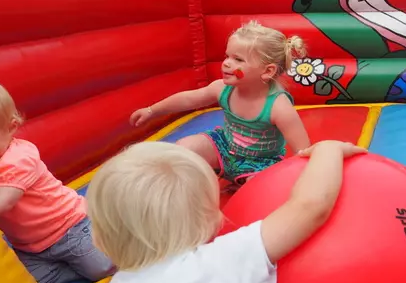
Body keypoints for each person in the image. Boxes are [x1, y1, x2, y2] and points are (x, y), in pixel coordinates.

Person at [83, 139, 365, 283]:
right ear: (212, 221)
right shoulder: (224, 258)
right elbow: (310, 206)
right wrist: (328, 149)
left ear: (99, 241)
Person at [0, 79, 114, 283]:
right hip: (29, 246)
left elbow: (3, 201)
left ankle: (118, 232)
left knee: (103, 267)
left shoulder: (18, 157)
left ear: (11, 128)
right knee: (27, 282)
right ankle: (71, 269)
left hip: (70, 228)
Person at [130, 21, 311, 189]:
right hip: (223, 146)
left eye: (238, 60)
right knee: (183, 149)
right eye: (227, 56)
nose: (226, 63)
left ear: (267, 71)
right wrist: (151, 110)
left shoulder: (278, 107)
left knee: (258, 186)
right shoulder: (223, 88)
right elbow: (188, 99)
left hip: (260, 162)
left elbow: (303, 151)